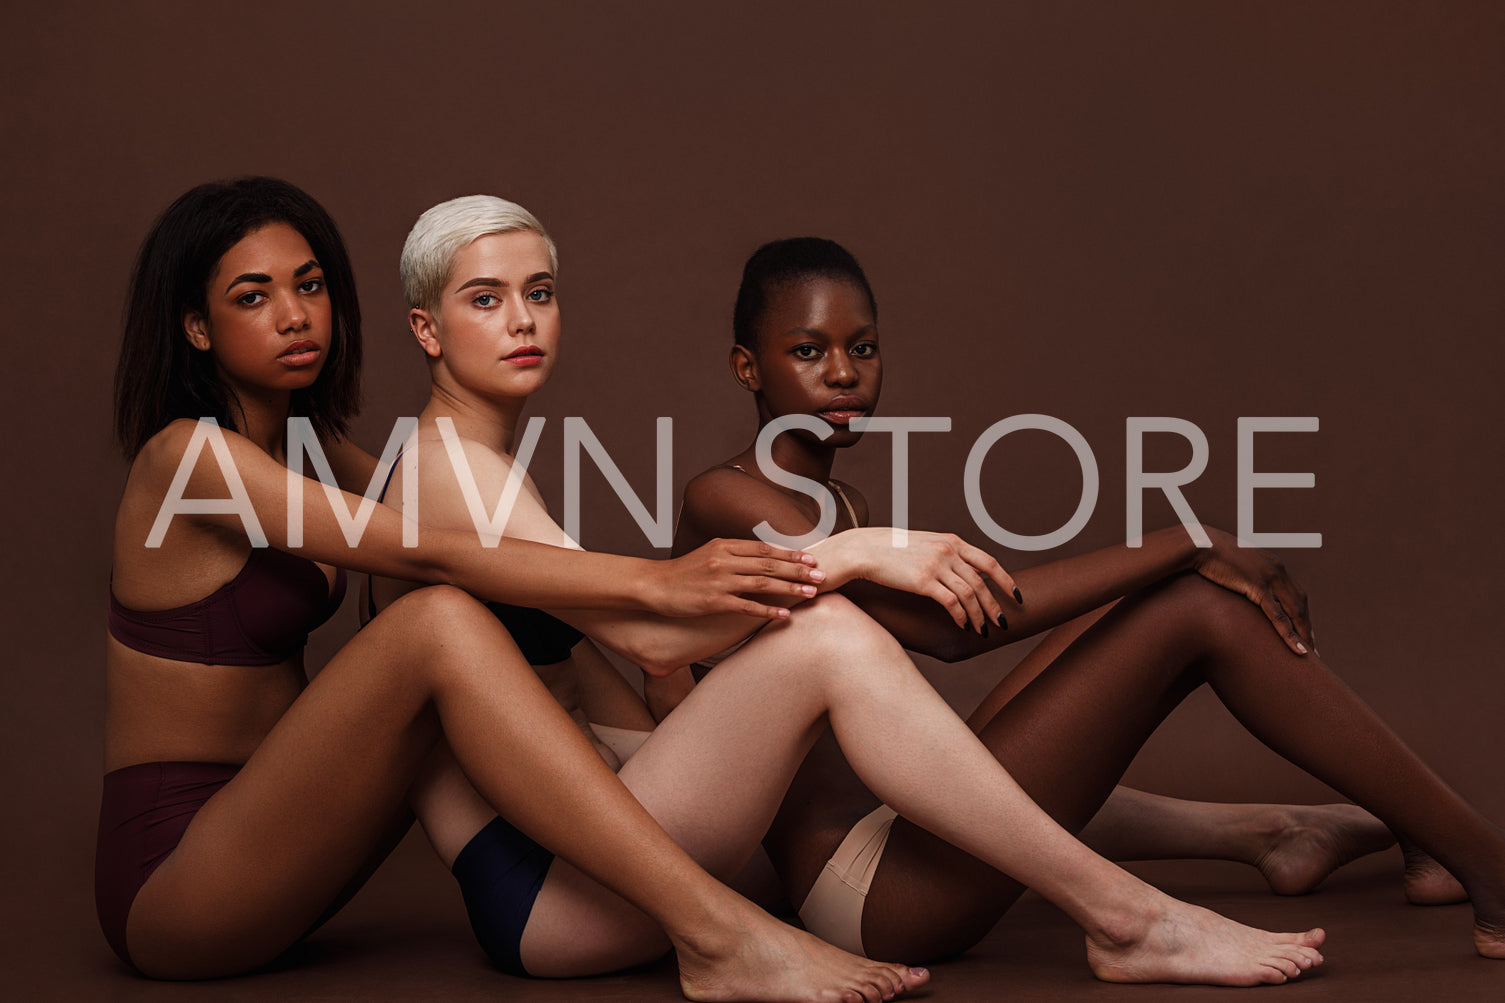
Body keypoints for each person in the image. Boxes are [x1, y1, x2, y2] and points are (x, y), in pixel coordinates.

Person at [371, 194, 1332, 987]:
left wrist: (710, 731)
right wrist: (857, 551)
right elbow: (653, 636)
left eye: (537, 293)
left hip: (588, 844)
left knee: (883, 735)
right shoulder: (453, 468)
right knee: (828, 640)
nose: (523, 320)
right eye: (486, 299)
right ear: (426, 327)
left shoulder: (480, 460)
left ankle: (1246, 836)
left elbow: (589, 681)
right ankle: (1125, 917)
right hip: (548, 891)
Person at [101, 177, 934, 1003]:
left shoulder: (312, 445)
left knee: (469, 618)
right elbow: (431, 553)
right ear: (197, 326)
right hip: (180, 880)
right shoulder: (185, 458)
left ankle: (690, 883)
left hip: (293, 835)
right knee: (435, 619)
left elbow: (460, 528)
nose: (294, 314)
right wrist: (655, 585)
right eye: (254, 296)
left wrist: (658, 636)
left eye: (310, 285)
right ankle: (718, 936)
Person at [657, 235, 1501, 963]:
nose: (842, 372)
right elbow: (946, 631)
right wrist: (1187, 537)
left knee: (1173, 595)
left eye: (863, 348)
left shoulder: (846, 511)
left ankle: (1421, 839)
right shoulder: (724, 500)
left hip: (907, 820)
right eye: (808, 350)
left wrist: (1180, 553)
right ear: (748, 366)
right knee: (1196, 602)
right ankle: (1484, 864)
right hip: (869, 890)